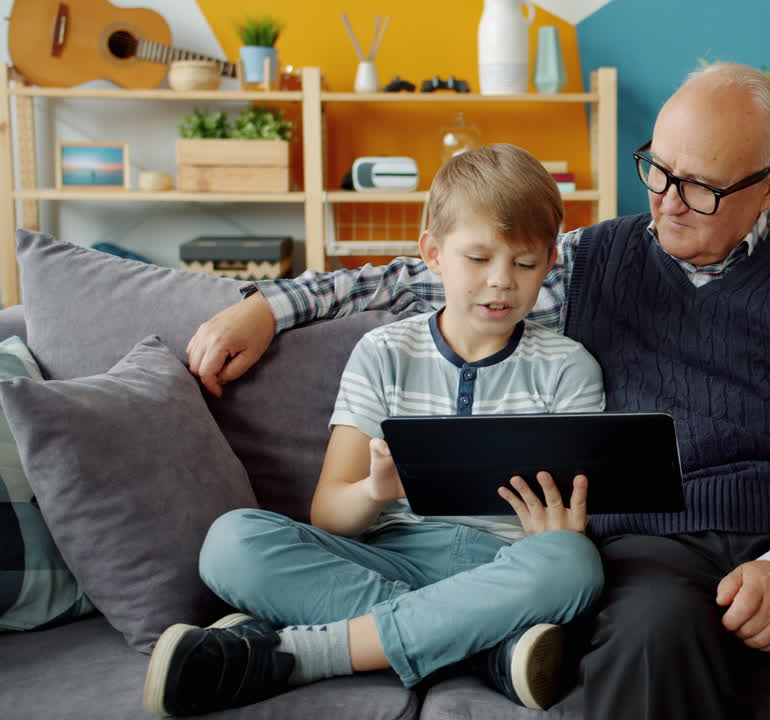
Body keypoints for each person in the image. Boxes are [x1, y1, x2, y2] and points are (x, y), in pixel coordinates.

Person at [184, 63, 770, 719]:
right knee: (642, 651)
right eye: (658, 170)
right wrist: (269, 304)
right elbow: (442, 272)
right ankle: (477, 637)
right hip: (656, 543)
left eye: (701, 188)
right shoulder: (591, 259)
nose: (668, 202)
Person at [144, 144, 607, 717]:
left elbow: (570, 521)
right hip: (390, 556)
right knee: (230, 544)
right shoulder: (384, 352)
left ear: (551, 264)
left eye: (525, 264)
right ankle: (485, 648)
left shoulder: (569, 368)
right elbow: (328, 515)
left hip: (502, 568)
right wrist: (373, 492)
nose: (500, 283)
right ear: (432, 255)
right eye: (478, 258)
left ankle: (303, 652)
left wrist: (560, 533)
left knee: (574, 565)